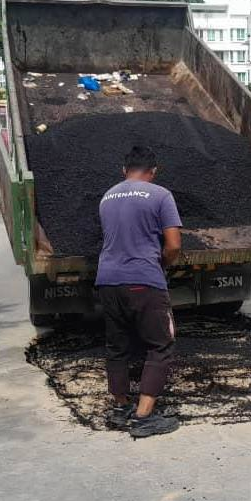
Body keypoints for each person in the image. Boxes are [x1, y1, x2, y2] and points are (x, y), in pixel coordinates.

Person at [95, 146, 182, 438]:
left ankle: (120, 408)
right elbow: (173, 245)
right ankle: (143, 417)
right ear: (153, 171)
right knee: (160, 345)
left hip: (107, 281)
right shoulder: (160, 195)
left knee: (117, 347)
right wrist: (163, 266)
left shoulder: (107, 197)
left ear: (124, 170)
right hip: (143, 280)